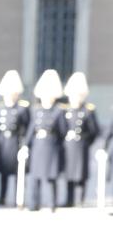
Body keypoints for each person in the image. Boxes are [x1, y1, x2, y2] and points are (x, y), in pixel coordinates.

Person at [21, 69, 67, 212]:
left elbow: (63, 131)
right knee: (35, 176)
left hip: (51, 145)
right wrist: (25, 146)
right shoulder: (36, 110)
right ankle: (34, 203)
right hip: (38, 145)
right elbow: (31, 129)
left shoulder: (59, 111)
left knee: (51, 176)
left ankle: (52, 203)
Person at [0, 70, 30, 206]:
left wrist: (24, 144)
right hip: (3, 142)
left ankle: (17, 197)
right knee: (3, 172)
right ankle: (1, 196)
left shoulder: (22, 108)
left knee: (17, 173)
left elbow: (26, 126)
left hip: (15, 141)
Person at [61, 72, 100, 207]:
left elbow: (94, 131)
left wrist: (85, 141)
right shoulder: (66, 110)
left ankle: (80, 199)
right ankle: (69, 199)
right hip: (68, 145)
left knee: (81, 173)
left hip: (81, 145)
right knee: (69, 173)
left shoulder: (88, 111)